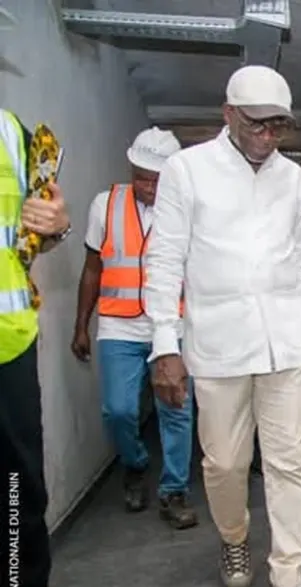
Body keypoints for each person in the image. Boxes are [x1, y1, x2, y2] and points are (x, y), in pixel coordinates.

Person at [143, 65, 301, 587]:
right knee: (223, 463)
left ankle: (289, 581)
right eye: (258, 125)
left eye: (279, 128)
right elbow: (165, 258)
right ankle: (233, 538)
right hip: (219, 345)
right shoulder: (186, 171)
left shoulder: (293, 180)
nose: (269, 138)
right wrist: (164, 344)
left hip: (287, 343)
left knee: (291, 462)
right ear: (229, 115)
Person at [71, 127, 198, 529]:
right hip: (118, 327)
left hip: (172, 326)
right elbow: (93, 268)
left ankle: (173, 490)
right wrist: (81, 325)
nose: (147, 186)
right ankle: (136, 464)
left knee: (176, 409)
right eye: (140, 176)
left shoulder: (186, 210)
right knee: (119, 410)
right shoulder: (104, 205)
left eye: (156, 180)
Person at [0, 106, 79, 587]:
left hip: (5, 341)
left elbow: (35, 230)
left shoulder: (12, 131)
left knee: (16, 489)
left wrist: (55, 225)